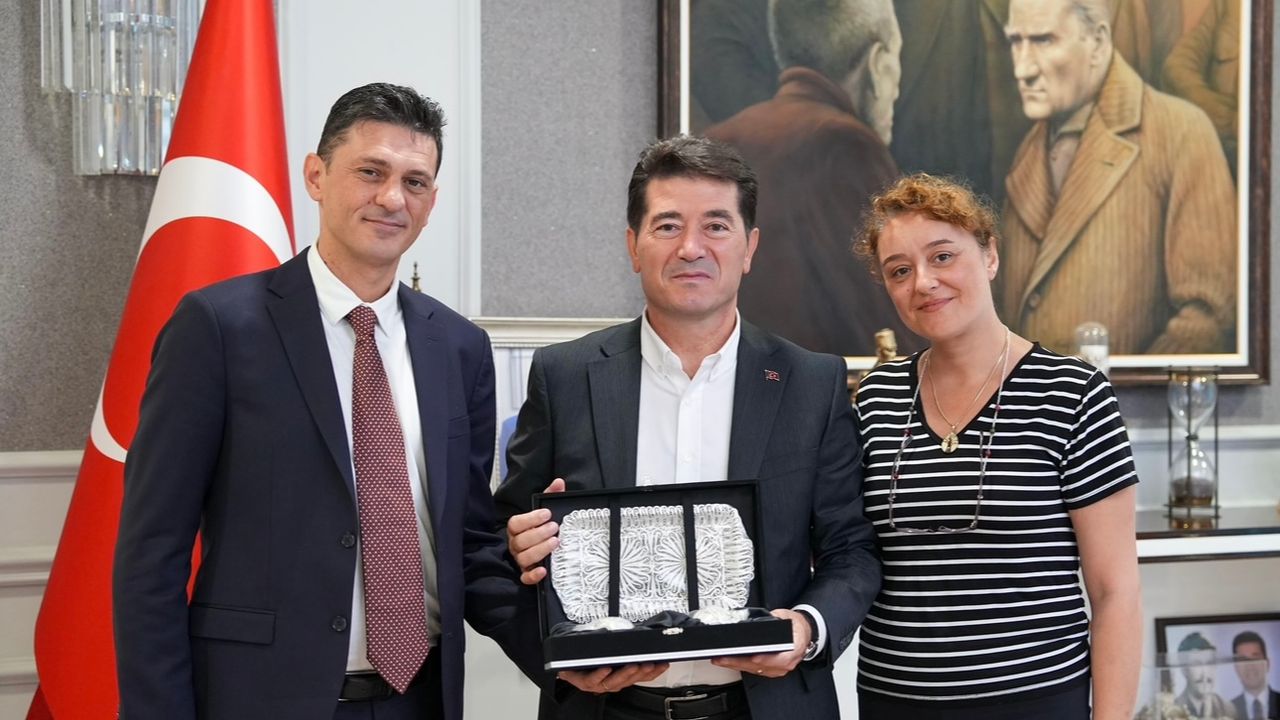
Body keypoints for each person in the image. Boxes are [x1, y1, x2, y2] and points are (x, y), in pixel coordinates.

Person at [113, 83, 539, 720]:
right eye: (371, 172)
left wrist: (566, 657)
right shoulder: (219, 327)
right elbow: (153, 553)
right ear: (316, 175)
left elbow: (471, 541)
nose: (392, 198)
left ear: (431, 202)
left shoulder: (460, 348)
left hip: (421, 700)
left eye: (415, 182)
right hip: (261, 702)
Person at [496, 135, 881, 720]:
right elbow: (499, 546)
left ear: (749, 247)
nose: (692, 247)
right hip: (605, 710)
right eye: (668, 225)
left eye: (717, 226)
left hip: (765, 707)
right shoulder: (565, 376)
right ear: (634, 246)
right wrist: (555, 650)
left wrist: (806, 628)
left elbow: (851, 550)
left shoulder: (811, 382)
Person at [853, 173, 1142, 720]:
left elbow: (1115, 591)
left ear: (990, 255)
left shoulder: (1072, 391)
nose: (923, 282)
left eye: (943, 256)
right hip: (894, 700)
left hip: (1035, 701)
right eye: (900, 270)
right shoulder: (876, 397)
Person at [999, 0, 1236, 356]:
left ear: (1097, 41)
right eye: (1016, 42)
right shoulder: (1028, 151)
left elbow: (1207, 315)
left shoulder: (1181, 132)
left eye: (1044, 40)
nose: (1022, 69)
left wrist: (1118, 387)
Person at [705, 0, 919, 358]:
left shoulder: (718, 141)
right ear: (879, 64)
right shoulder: (846, 145)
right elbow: (881, 317)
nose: (896, 88)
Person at [1175, 632, 1236, 719]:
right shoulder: (1173, 710)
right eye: (1196, 664)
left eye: (1209, 663)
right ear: (1184, 670)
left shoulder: (1228, 709)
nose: (1205, 673)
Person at [1231, 631, 1280, 719]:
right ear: (1236, 668)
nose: (1250, 666)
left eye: (1255, 658)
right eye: (1243, 660)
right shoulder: (1227, 711)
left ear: (1267, 664)